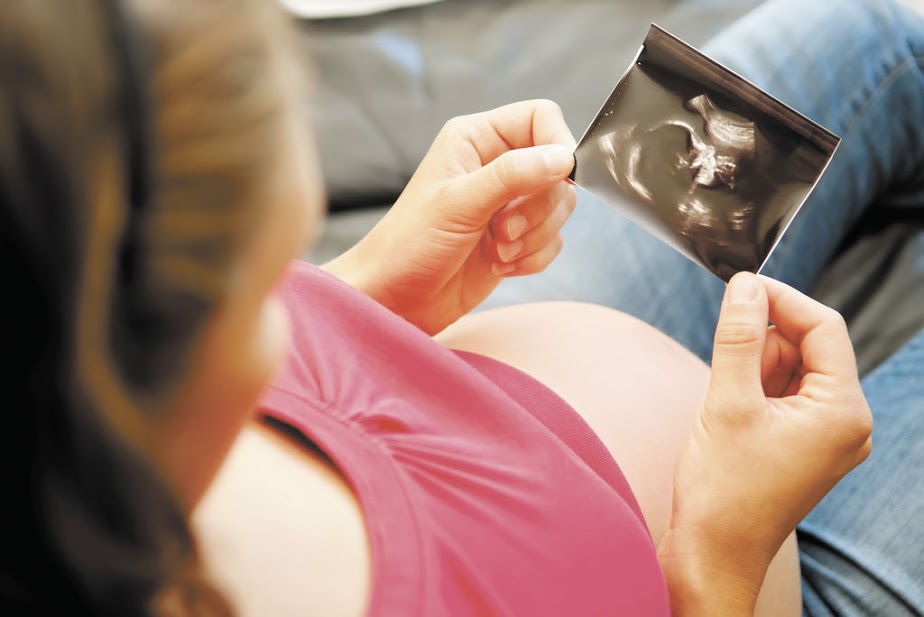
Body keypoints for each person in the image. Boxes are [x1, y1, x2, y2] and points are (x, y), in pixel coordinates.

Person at [0, 1, 893, 617]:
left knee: (878, 31)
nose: (291, 308)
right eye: (266, 281)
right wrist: (718, 564)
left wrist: (363, 294)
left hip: (515, 393)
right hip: (756, 543)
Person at [484, 0, 924, 615]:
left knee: (871, 34)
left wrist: (379, 283)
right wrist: (718, 560)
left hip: (495, 364)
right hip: (742, 581)